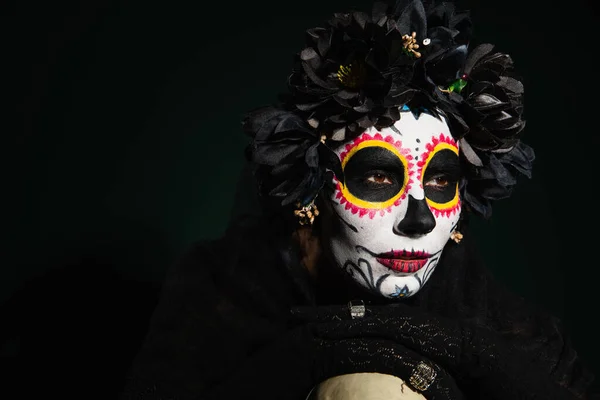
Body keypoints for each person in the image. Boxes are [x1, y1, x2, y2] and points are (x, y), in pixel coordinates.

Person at [119, 0, 598, 399]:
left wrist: (462, 350)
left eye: (440, 182)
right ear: (312, 193)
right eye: (376, 176)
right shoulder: (217, 299)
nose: (419, 219)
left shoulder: (516, 332)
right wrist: (315, 354)